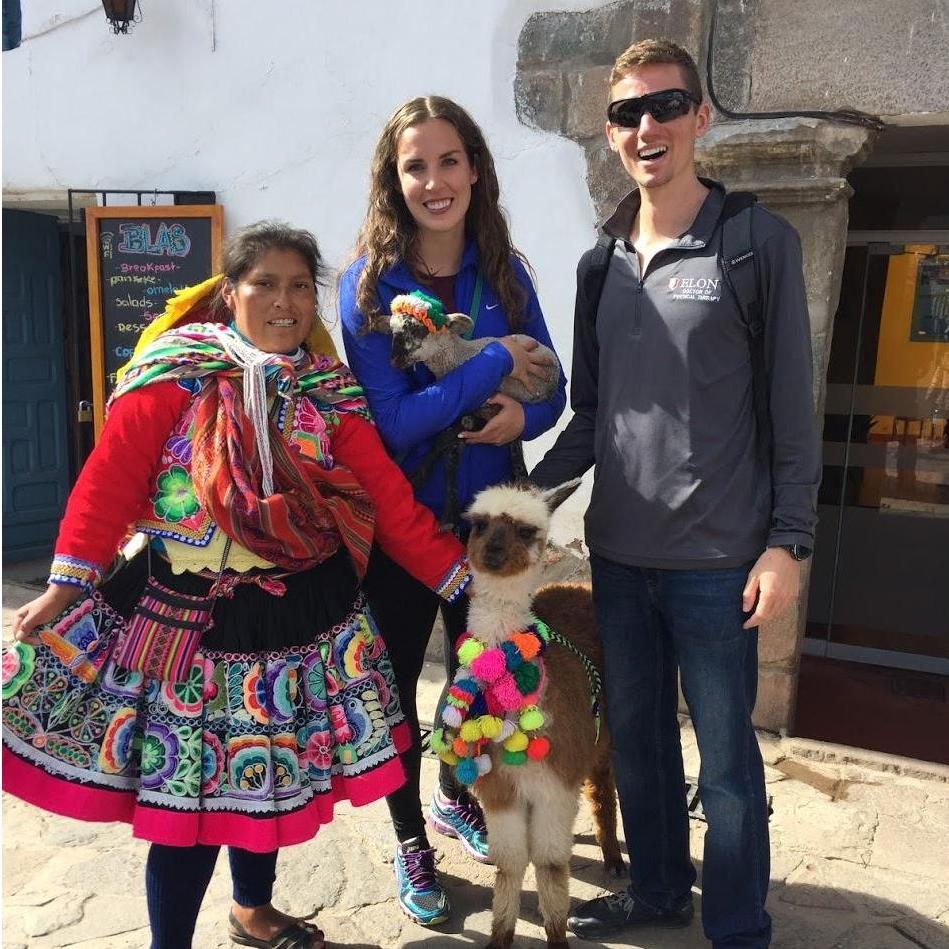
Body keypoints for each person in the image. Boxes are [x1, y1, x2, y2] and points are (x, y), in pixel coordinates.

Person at [2, 221, 474, 949]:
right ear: (230, 292)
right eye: (264, 283)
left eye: (297, 287)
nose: (282, 301)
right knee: (187, 807)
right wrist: (64, 587)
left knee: (267, 785)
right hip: (185, 620)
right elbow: (106, 487)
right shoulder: (173, 375)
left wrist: (465, 582)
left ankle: (253, 909)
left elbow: (390, 506)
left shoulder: (328, 392)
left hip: (296, 619)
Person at [530, 39, 821, 949]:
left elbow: (790, 409)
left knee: (729, 765)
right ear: (611, 132)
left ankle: (736, 923)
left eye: (665, 106)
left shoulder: (752, 243)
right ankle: (657, 889)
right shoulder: (598, 264)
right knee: (644, 745)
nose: (645, 126)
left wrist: (787, 541)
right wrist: (517, 501)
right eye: (626, 113)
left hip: (716, 564)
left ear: (701, 117)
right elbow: (589, 418)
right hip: (619, 557)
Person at [339, 95, 566, 925]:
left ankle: (451, 795)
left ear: (474, 168)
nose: (433, 181)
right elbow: (394, 421)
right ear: (392, 179)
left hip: (490, 526)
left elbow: (553, 390)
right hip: (401, 523)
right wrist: (493, 362)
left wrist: (522, 415)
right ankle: (410, 838)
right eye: (414, 165)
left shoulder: (506, 273)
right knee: (398, 688)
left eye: (447, 161)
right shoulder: (365, 286)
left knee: (482, 682)